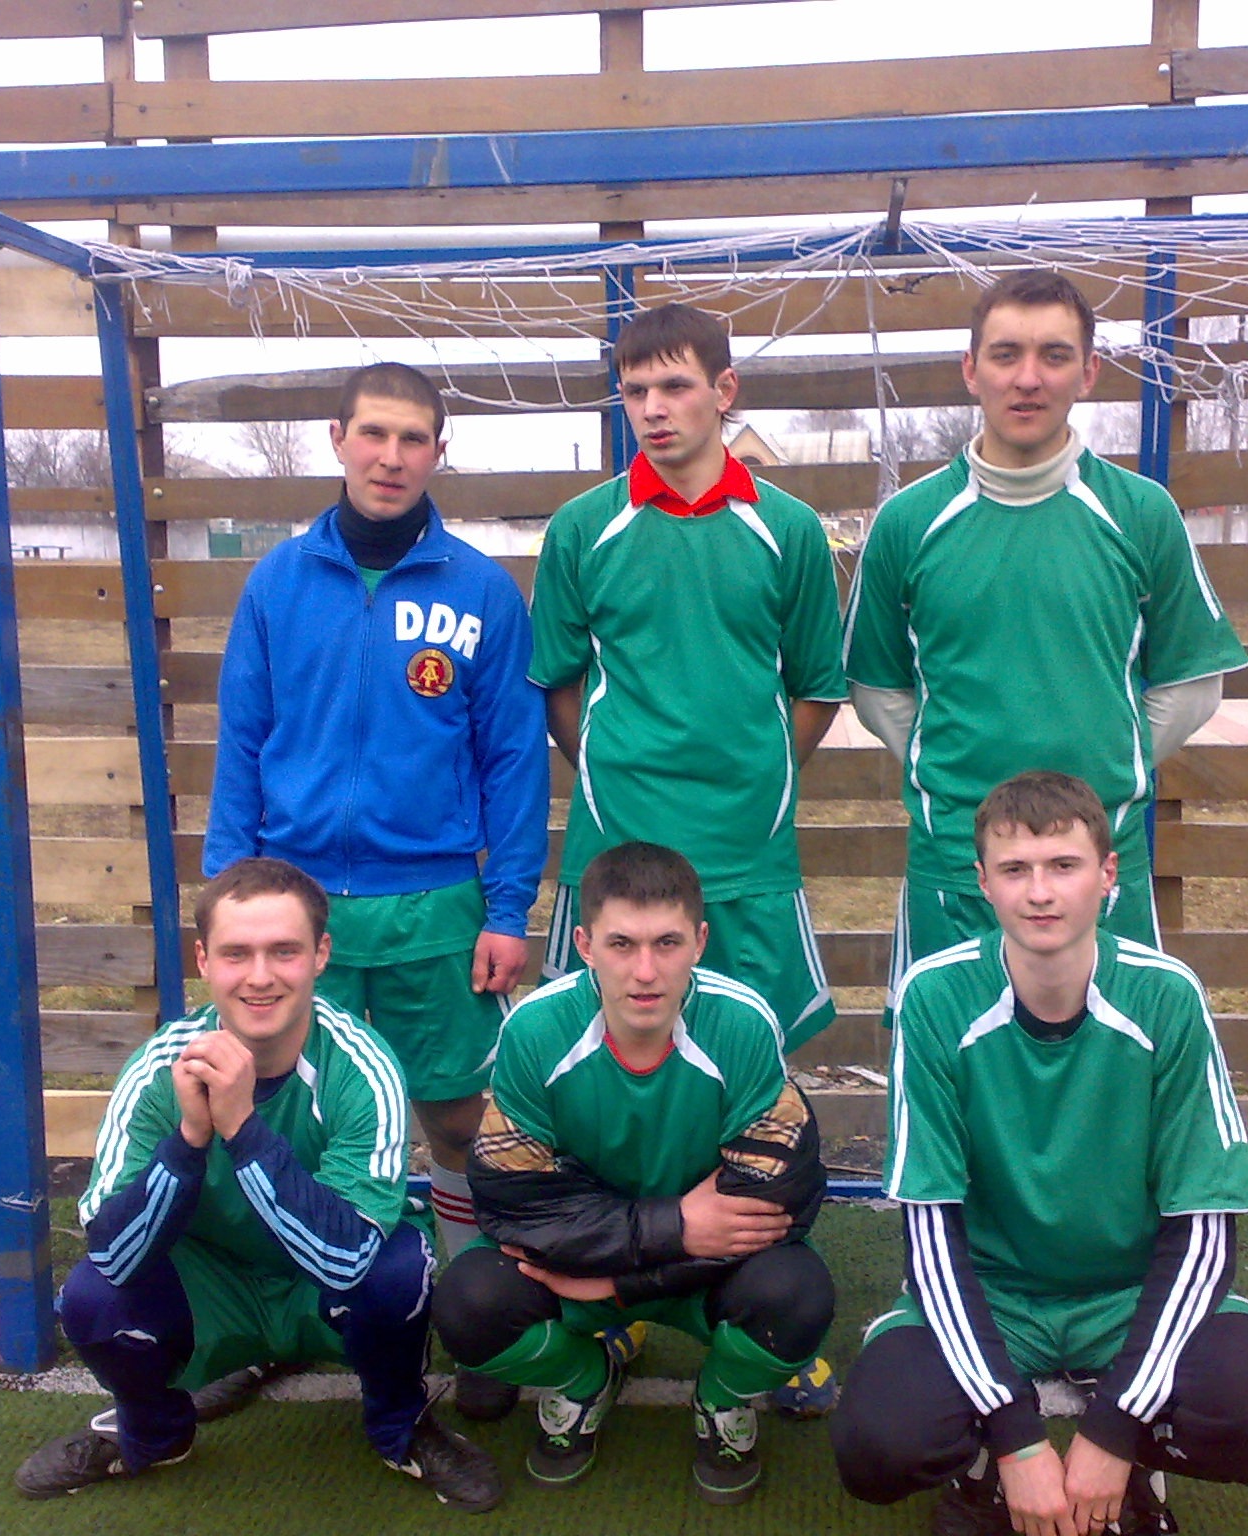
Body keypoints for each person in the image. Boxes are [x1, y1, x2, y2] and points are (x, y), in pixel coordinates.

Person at [830, 773, 1248, 1535]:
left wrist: (1116, 1428)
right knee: (876, 1446)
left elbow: (1205, 1226)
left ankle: (1139, 1467)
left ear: (1108, 874)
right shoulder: (935, 997)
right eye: (1015, 869)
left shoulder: (1166, 997)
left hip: (1129, 1292)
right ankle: (982, 1474)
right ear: (983, 883)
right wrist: (1014, 1435)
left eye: (1063, 865)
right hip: (994, 1292)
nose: (1040, 892)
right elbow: (929, 1229)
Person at [526, 303, 846, 1415]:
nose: (654, 409)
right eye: (634, 391)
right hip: (616, 858)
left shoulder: (788, 530)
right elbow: (560, 687)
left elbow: (816, 689)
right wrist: (619, 780)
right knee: (596, 1075)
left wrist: (751, 783)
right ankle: (604, 1299)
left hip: (745, 863)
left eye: (674, 386)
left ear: (724, 391)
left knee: (761, 1086)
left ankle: (764, 1310)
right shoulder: (584, 528)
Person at [203, 361, 547, 1309]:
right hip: (296, 908)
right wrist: (230, 896)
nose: (391, 457)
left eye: (412, 439)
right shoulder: (278, 583)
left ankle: (472, 1307)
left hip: (436, 909)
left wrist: (507, 907)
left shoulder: (482, 591)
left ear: (438, 452)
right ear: (338, 439)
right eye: (374, 434)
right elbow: (241, 743)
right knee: (294, 1118)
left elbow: (513, 762)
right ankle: (289, 1314)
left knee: (457, 1120)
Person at [14, 858, 502, 1511]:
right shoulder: (160, 1068)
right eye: (236, 953)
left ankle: (401, 1427)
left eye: (284, 951)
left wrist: (243, 1129)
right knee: (92, 1297)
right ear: (204, 960)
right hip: (215, 1285)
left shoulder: (363, 1066)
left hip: (317, 1288)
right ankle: (153, 1433)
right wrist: (190, 1140)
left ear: (321, 955)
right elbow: (115, 1254)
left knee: (399, 1270)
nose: (261, 976)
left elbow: (347, 1259)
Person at [844, 268, 1248, 987]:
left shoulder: (1140, 514)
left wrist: (1102, 775)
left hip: (1099, 871)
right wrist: (954, 770)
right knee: (948, 1051)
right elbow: (879, 691)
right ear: (971, 370)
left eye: (1054, 356)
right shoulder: (908, 523)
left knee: (1112, 1053)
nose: (1027, 378)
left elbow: (1191, 684)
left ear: (1088, 373)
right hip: (955, 871)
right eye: (1005, 355)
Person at [433, 841, 835, 1506]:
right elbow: (512, 1204)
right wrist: (676, 1225)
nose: (645, 971)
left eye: (667, 943)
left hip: (660, 1268)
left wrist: (618, 1283)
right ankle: (584, 1376)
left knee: (798, 1296)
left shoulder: (742, 1024)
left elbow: (782, 1195)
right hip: (623, 1257)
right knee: (468, 1305)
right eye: (622, 944)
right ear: (585, 945)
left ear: (699, 941)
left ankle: (720, 1399)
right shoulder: (535, 1032)